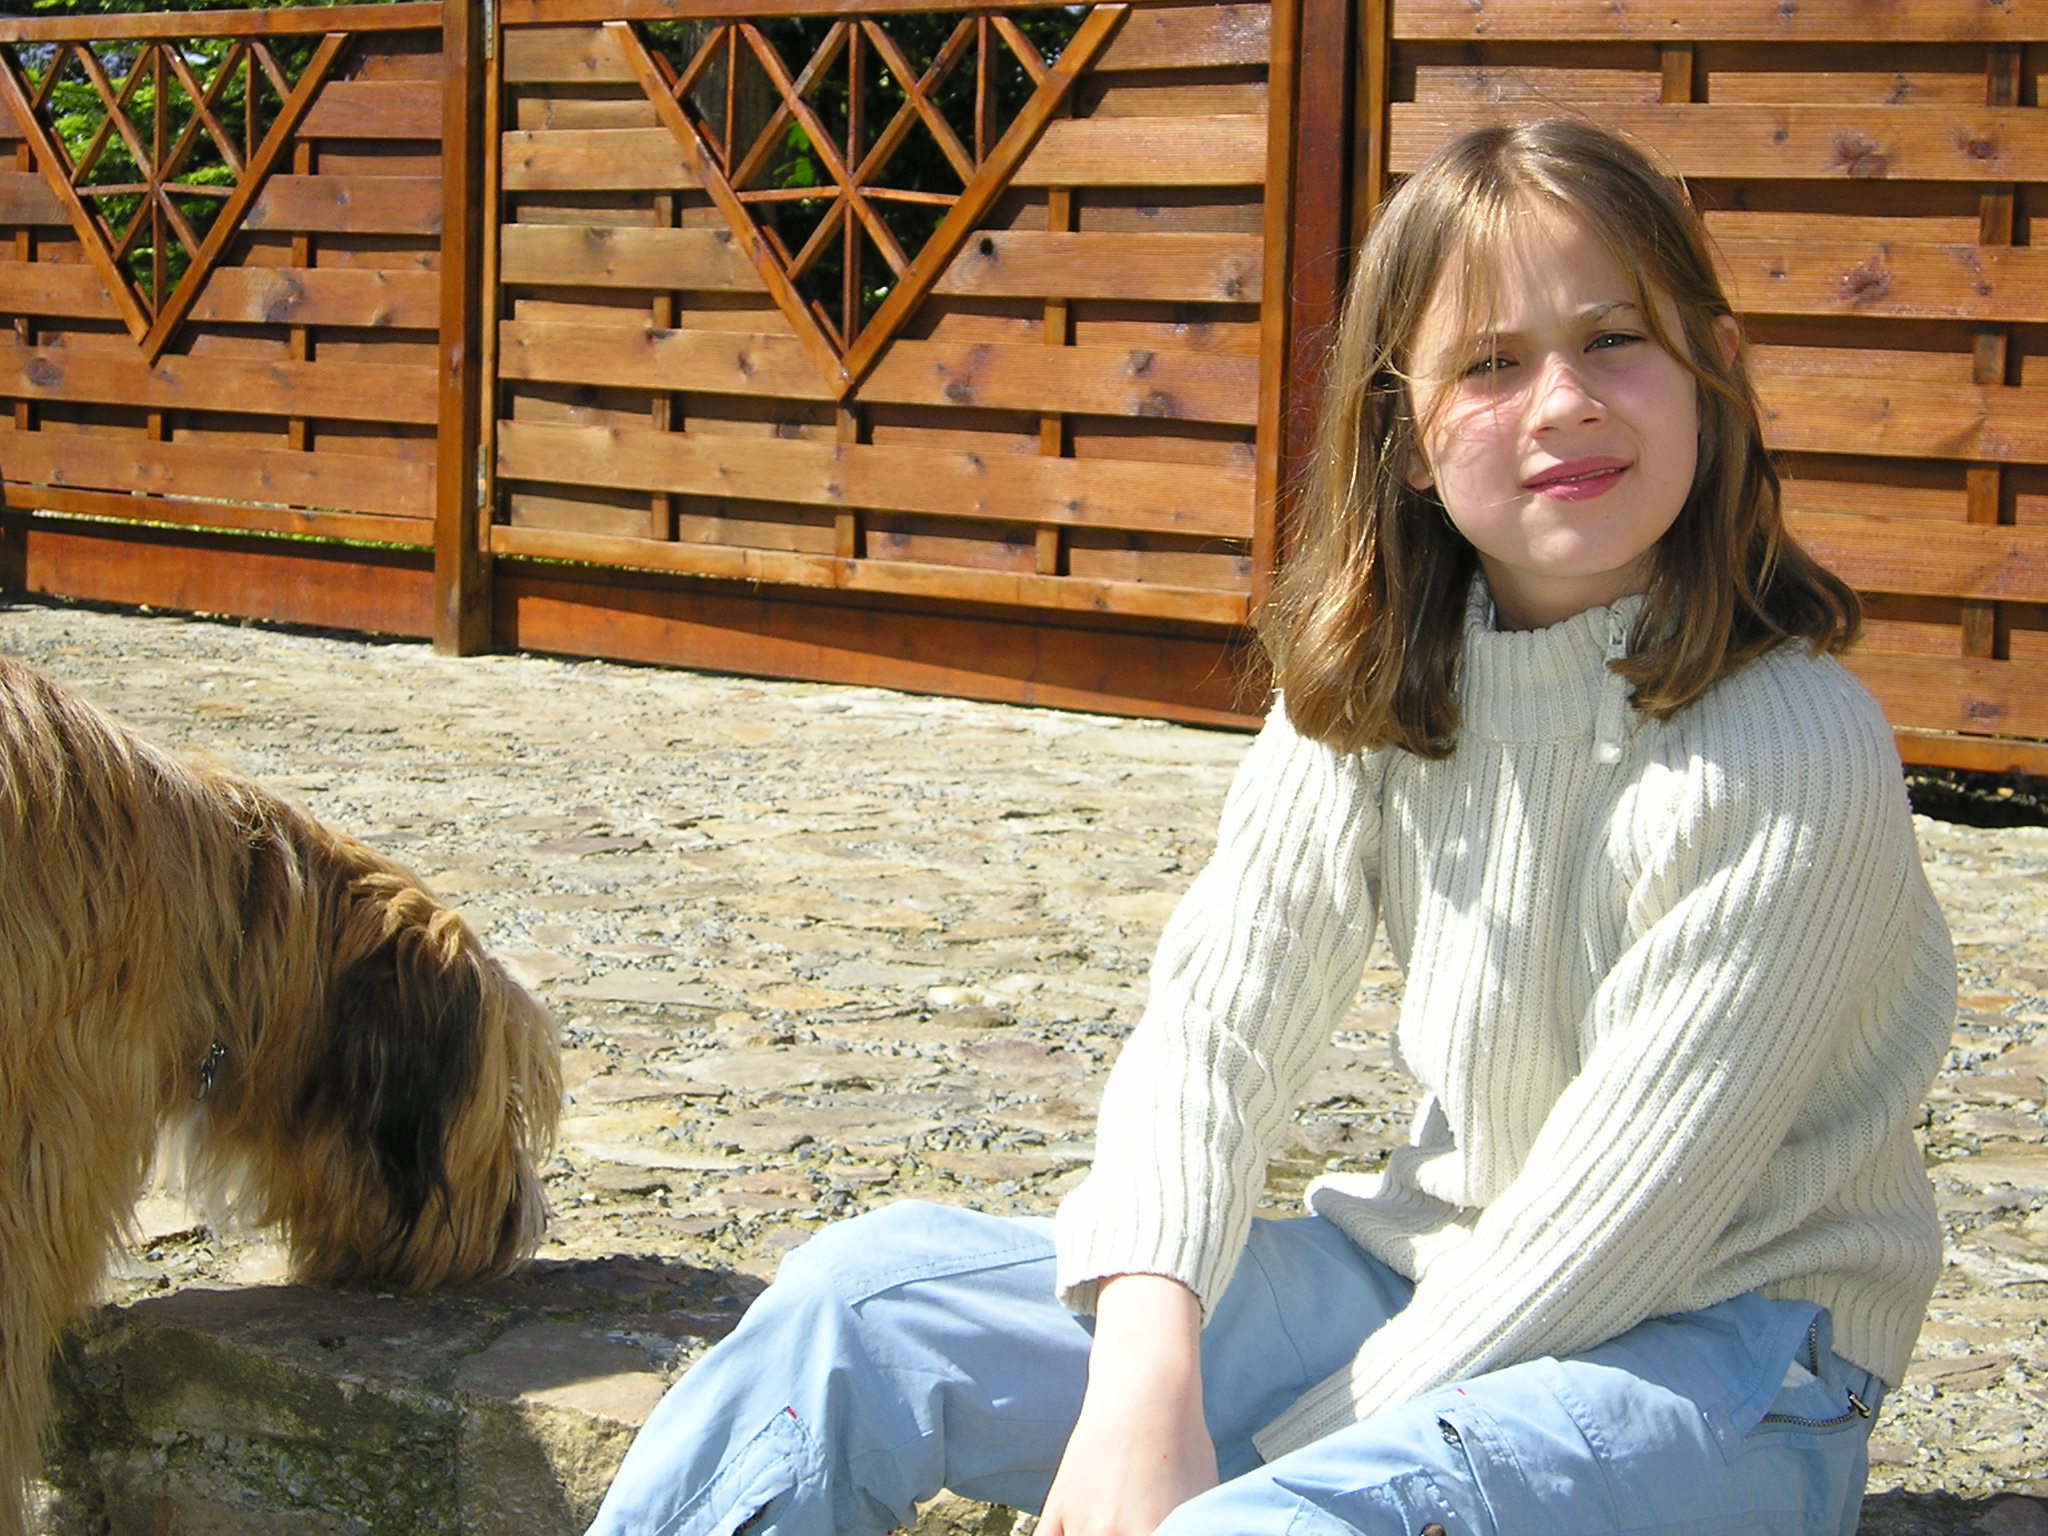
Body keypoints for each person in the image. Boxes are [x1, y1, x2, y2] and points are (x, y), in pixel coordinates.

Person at [583, 117, 1956, 1536]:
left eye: (1614, 339)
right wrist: (1143, 1378)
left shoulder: (1791, 750)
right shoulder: (1382, 688)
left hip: (1730, 1367)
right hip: (1427, 1279)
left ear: (1713, 371)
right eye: (1490, 363)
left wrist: (1258, 1466)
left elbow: (1617, 1225)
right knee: (856, 1314)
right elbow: (1215, 1034)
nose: (1562, 402)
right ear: (1404, 435)